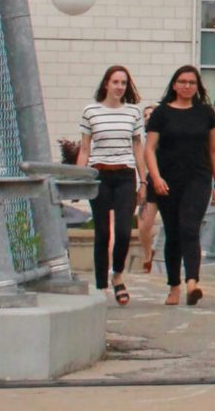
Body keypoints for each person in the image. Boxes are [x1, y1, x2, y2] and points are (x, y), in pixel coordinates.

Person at [143, 65, 215, 307]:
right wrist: (156, 178)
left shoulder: (206, 113)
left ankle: (192, 283)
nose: (187, 86)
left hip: (198, 179)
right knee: (174, 233)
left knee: (189, 227)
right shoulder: (161, 113)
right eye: (182, 82)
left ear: (197, 87)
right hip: (167, 181)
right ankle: (173, 286)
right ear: (174, 85)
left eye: (192, 82)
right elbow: (149, 149)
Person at [77, 65, 145, 307]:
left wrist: (143, 180)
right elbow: (85, 148)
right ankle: (101, 285)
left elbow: (138, 148)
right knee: (103, 232)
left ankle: (117, 275)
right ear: (106, 84)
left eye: (123, 83)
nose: (119, 87)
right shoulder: (91, 111)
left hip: (125, 174)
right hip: (99, 174)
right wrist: (79, 179)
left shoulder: (133, 113)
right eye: (115, 82)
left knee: (124, 231)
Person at [135, 102, 161, 274]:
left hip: (167, 181)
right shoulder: (141, 140)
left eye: (151, 114)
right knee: (144, 225)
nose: (148, 118)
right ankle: (147, 254)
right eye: (145, 115)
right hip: (149, 183)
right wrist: (142, 184)